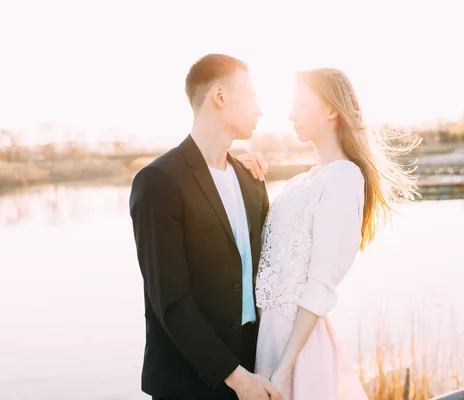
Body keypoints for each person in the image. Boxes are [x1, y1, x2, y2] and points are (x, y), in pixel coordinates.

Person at [238, 68, 420, 399]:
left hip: (297, 355)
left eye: (301, 105)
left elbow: (320, 285)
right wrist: (245, 170)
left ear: (331, 109)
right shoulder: (302, 181)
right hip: (267, 343)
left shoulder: (343, 178)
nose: (291, 115)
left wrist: (282, 372)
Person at [129, 53, 283, 400]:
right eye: (252, 97)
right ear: (220, 96)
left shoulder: (251, 179)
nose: (259, 110)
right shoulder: (157, 182)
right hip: (188, 384)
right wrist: (236, 379)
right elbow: (170, 300)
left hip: (255, 372)